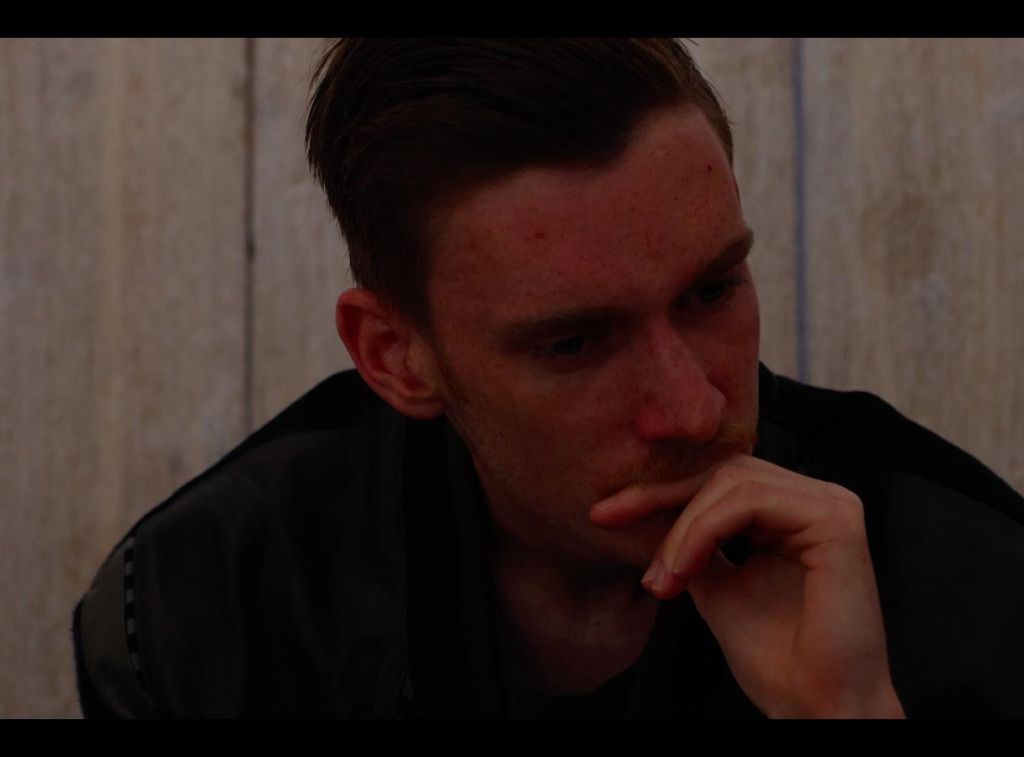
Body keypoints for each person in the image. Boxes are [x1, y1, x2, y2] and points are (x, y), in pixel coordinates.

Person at [73, 38, 1024, 718]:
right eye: (574, 343)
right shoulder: (206, 605)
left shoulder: (975, 581)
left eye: (711, 290)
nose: (694, 408)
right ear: (395, 356)